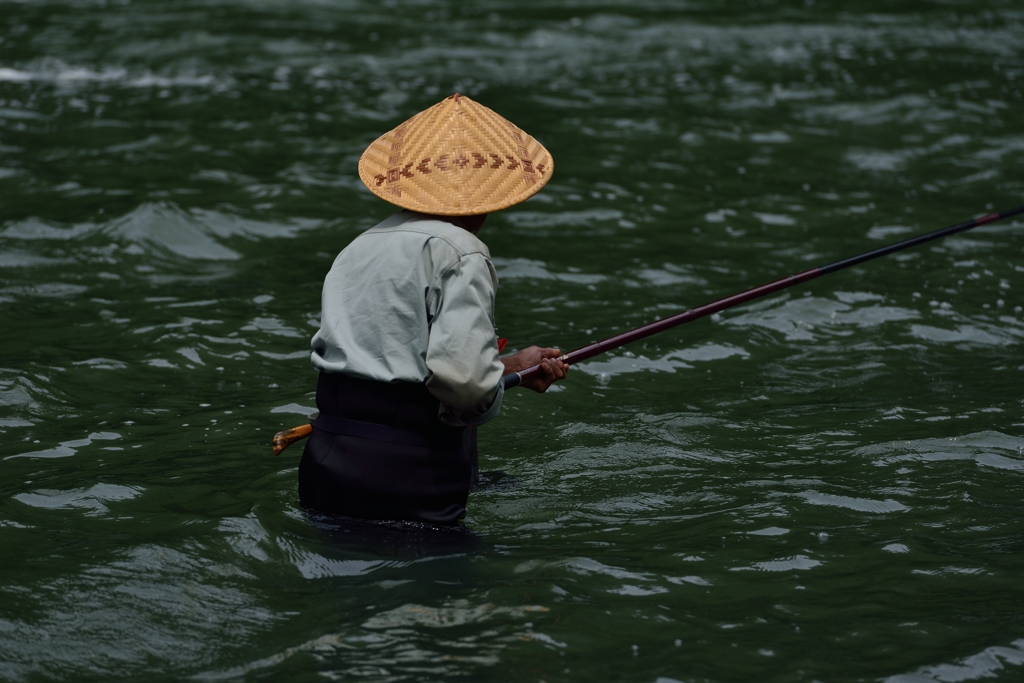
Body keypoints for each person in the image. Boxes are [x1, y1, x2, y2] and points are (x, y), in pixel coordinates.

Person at [298, 94, 568, 525]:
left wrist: (512, 365)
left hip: (326, 461)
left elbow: (389, 363)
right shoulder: (463, 252)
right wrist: (494, 385)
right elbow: (463, 384)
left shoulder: (357, 247)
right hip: (408, 475)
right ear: (489, 199)